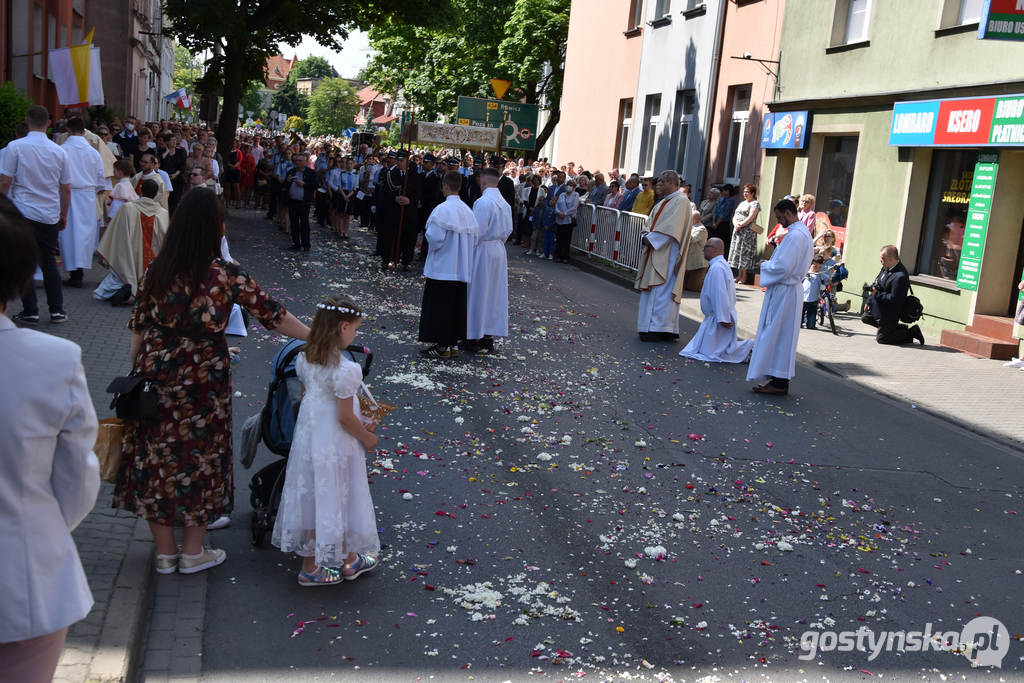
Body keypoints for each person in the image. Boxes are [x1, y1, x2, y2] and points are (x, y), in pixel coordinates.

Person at [112, 188, 310, 575]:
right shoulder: (225, 274)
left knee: (157, 459)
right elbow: (273, 315)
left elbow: (139, 328)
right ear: (214, 228)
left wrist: (140, 370)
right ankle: (193, 552)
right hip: (204, 376)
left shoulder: (158, 269)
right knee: (199, 459)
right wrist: (316, 334)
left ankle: (165, 555)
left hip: (157, 371)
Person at [0, 196, 100, 683]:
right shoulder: (54, 360)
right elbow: (77, 478)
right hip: (24, 578)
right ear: (20, 280)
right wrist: (37, 527)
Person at [271, 294, 380, 585]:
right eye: (355, 329)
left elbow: (310, 399)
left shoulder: (305, 358)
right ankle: (313, 568)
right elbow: (344, 417)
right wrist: (367, 436)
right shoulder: (346, 369)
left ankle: (344, 558)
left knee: (317, 497)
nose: (355, 334)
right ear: (344, 327)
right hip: (336, 441)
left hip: (311, 438)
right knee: (338, 494)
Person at [0, 105, 71, 325]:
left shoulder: (15, 147)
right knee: (49, 261)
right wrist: (63, 214)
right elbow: (66, 187)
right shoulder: (59, 151)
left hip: (23, 212)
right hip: (49, 213)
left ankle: (30, 310)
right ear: (49, 123)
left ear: (26, 120)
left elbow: (5, 182)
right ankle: (57, 310)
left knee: (25, 262)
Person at [747, 198, 814, 395]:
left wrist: (765, 266)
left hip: (785, 291)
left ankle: (779, 381)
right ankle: (777, 379)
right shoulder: (799, 233)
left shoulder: (796, 236)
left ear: (788, 213)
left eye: (779, 217)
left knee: (779, 336)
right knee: (780, 336)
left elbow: (784, 267)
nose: (779, 221)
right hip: (786, 291)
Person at [418, 171, 477, 359]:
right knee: (454, 308)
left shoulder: (442, 210)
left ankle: (442, 345)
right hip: (460, 269)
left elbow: (435, 238)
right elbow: (474, 240)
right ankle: (452, 344)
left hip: (443, 268)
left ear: (445, 186)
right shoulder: (468, 211)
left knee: (440, 308)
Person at [634, 170, 693, 341]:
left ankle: (659, 328)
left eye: (662, 182)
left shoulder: (681, 202)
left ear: (672, 183)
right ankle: (649, 326)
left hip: (668, 255)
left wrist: (649, 239)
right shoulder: (662, 203)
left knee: (662, 292)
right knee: (653, 291)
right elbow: (649, 224)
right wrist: (645, 236)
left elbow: (671, 229)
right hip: (655, 252)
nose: (659, 185)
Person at [93, 179, 168, 304]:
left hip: (129, 257)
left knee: (106, 289)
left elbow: (116, 234)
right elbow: (164, 239)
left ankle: (128, 291)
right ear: (156, 194)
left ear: (140, 190)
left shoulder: (127, 208)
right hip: (152, 262)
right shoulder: (163, 213)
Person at [679, 237, 753, 363]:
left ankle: (749, 348)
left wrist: (722, 318)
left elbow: (720, 294)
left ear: (713, 250)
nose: (703, 250)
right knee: (718, 349)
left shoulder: (717, 268)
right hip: (717, 315)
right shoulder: (719, 266)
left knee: (716, 352)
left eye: (706, 247)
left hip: (719, 316)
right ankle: (748, 350)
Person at [465, 167, 513, 352]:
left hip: (484, 249)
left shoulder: (483, 202)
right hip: (498, 249)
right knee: (493, 294)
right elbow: (508, 230)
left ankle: (472, 336)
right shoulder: (505, 203)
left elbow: (477, 231)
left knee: (478, 292)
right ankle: (487, 336)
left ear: (483, 181)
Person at [57, 117, 106, 289]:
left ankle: (74, 273)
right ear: (84, 131)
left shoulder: (62, 150)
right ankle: (79, 272)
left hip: (67, 195)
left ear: (68, 130)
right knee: (84, 234)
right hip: (87, 196)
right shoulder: (93, 153)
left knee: (68, 234)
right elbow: (101, 179)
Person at [862, 245, 925, 346]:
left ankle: (911, 333)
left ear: (891, 259)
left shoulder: (901, 276)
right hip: (881, 306)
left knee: (882, 339)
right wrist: (869, 301)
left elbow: (895, 299)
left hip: (891, 312)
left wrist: (876, 294)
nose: (880, 260)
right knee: (866, 317)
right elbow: (876, 284)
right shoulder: (886, 267)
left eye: (882, 258)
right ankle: (897, 328)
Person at [727, 183, 761, 285]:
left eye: (747, 192)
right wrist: (736, 224)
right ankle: (738, 275)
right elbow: (735, 215)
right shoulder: (742, 203)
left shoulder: (755, 204)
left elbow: (751, 217)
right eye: (744, 191)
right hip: (738, 230)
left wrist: (741, 224)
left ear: (753, 193)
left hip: (747, 232)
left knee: (744, 253)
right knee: (738, 253)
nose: (745, 194)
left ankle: (744, 276)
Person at [284, 152, 317, 252]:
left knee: (304, 224)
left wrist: (304, 184)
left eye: (300, 161)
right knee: (294, 223)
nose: (297, 162)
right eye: (295, 161)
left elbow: (315, 186)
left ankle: (306, 244)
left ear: (306, 162)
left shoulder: (311, 173)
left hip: (304, 202)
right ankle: (296, 243)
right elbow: (285, 186)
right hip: (292, 201)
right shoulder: (291, 171)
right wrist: (288, 181)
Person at [554, 178, 580, 263]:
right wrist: (558, 212)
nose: (569, 186)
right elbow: (557, 205)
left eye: (571, 185)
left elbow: (574, 207)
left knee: (566, 239)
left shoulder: (576, 195)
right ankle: (558, 255)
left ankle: (565, 256)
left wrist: (564, 213)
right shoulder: (562, 194)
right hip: (559, 219)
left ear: (574, 187)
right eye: (568, 184)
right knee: (559, 238)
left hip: (568, 220)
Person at [684, 209, 709, 292]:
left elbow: (692, 239)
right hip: (689, 263)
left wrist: (683, 231)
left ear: (695, 219)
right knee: (685, 286)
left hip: (698, 264)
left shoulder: (701, 229)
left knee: (693, 287)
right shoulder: (691, 227)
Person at [801, 254, 826, 330]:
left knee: (811, 326)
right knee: (797, 323)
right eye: (815, 266)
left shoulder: (820, 275)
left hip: (814, 301)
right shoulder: (805, 273)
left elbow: (828, 279)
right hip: (803, 299)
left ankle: (809, 321)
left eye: (819, 267)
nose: (817, 269)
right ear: (811, 264)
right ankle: (803, 319)